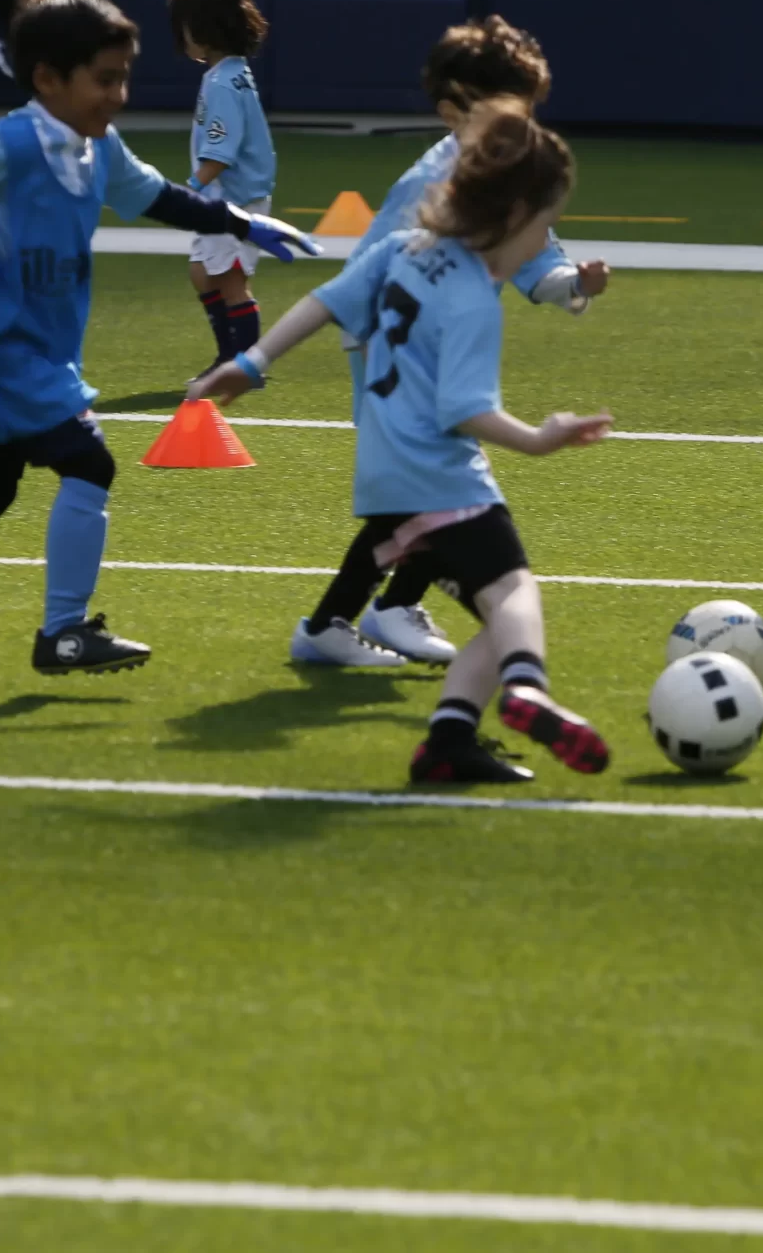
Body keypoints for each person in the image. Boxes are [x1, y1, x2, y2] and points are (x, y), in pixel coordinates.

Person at [0, 0, 319, 680]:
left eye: (123, 76)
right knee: (89, 461)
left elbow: (160, 197)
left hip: (32, 351)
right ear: (48, 79)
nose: (118, 93)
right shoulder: (15, 140)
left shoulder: (98, 147)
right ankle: (63, 632)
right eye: (104, 78)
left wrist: (244, 224)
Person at [185, 102, 617, 788]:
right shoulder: (474, 298)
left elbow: (323, 302)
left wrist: (253, 361)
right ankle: (527, 689)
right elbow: (466, 408)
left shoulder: (398, 250)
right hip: (439, 478)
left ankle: (447, 742)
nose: (545, 243)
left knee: (491, 611)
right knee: (515, 599)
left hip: (385, 472)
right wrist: (540, 439)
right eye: (543, 226)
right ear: (508, 217)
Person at [290, 16, 610, 671]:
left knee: (422, 504)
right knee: (436, 497)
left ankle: (355, 617)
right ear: (453, 111)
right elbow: (362, 285)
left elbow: (537, 271)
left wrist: (574, 280)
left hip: (442, 362)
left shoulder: (507, 170)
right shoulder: (424, 187)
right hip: (394, 362)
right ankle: (353, 619)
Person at [164, 0, 276, 377]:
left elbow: (220, 154)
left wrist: (187, 192)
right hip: (229, 196)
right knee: (202, 273)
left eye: (184, 26)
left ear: (204, 27)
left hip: (235, 198)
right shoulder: (228, 73)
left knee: (229, 279)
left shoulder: (224, 84)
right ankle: (230, 354)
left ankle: (242, 364)